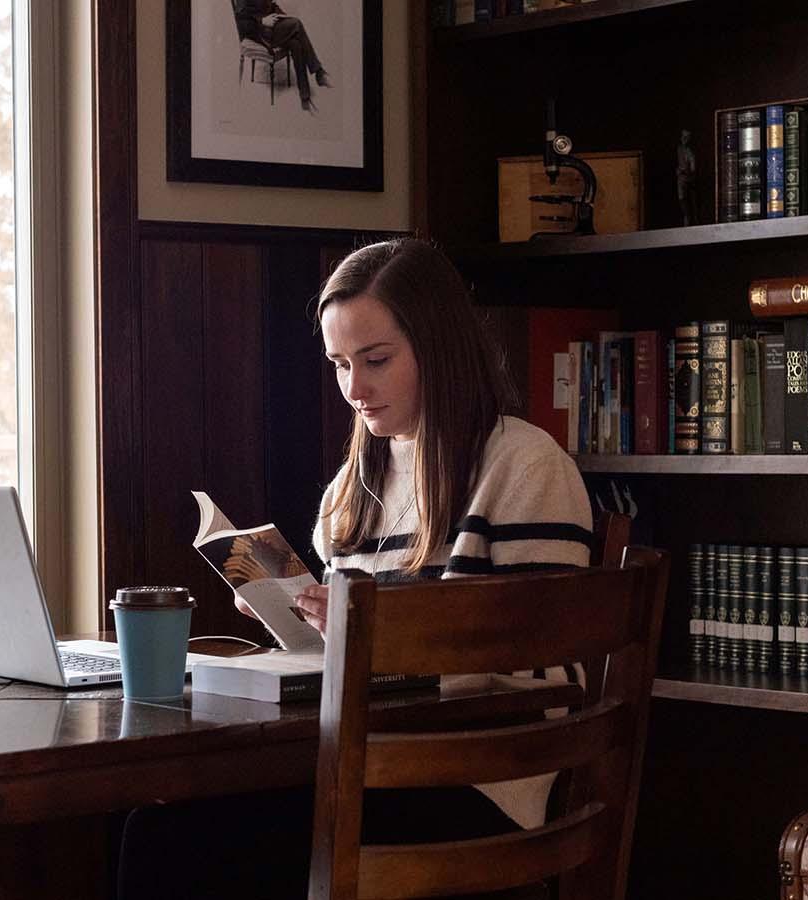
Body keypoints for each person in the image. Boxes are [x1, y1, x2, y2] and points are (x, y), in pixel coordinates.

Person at [114, 238, 593, 900]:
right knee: (154, 830)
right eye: (339, 364)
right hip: (368, 768)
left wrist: (374, 627)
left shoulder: (525, 465)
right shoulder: (354, 484)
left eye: (376, 360)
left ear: (439, 345)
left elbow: (543, 672)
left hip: (477, 791)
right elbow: (356, 664)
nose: (354, 388)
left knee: (177, 848)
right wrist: (298, 617)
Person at [233, 0, 332, 113]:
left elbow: (271, 6)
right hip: (259, 34)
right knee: (297, 24)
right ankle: (318, 72)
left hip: (272, 30)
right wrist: (262, 21)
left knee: (296, 44)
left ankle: (305, 97)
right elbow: (241, 22)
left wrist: (282, 16)